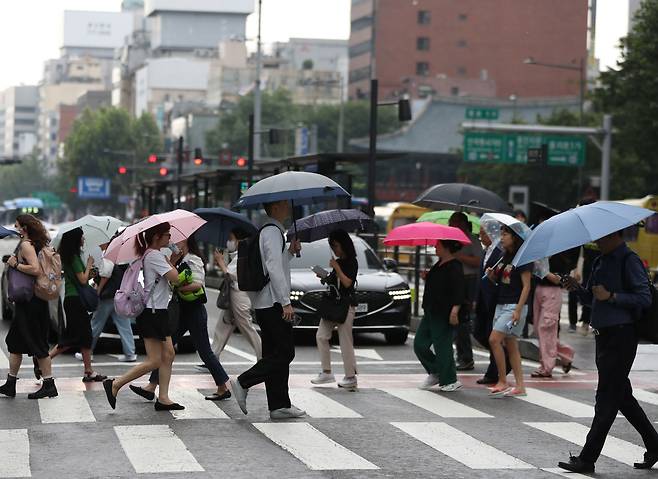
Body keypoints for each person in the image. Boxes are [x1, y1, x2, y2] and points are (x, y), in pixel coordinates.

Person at [558, 230, 658, 473]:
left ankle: (587, 458)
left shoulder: (629, 260)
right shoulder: (600, 261)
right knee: (621, 396)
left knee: (605, 399)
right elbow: (593, 300)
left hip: (622, 335)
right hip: (602, 336)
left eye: (601, 238)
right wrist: (577, 288)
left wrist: (612, 296)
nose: (597, 242)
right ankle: (655, 445)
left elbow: (644, 297)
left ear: (615, 236)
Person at [131, 235, 232, 401]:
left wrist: (177, 285)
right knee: (166, 350)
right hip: (181, 311)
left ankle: (222, 386)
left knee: (204, 351)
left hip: (194, 311)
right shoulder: (178, 259)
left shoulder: (194, 259)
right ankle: (151, 386)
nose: (172, 244)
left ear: (185, 242)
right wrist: (172, 263)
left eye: (176, 240)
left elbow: (198, 284)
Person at [230, 199, 306, 420]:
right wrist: (285, 302)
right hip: (272, 303)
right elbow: (273, 268)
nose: (289, 207)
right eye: (284, 204)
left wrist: (290, 252)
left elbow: (275, 263)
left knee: (274, 353)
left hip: (265, 302)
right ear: (274, 208)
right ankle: (244, 381)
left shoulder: (271, 232)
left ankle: (279, 405)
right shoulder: (272, 231)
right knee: (285, 353)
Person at [102, 222, 184, 411]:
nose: (170, 238)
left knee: (168, 354)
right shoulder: (154, 255)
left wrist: (171, 258)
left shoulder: (151, 255)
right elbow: (176, 277)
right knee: (156, 359)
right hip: (154, 313)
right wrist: (174, 259)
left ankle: (163, 397)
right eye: (167, 235)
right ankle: (115, 384)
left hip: (156, 312)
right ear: (156, 237)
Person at [0, 215, 58, 399]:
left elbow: (35, 269)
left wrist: (15, 263)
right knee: (15, 343)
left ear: (24, 228)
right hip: (30, 302)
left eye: (17, 226)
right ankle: (10, 383)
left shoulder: (26, 244)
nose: (15, 228)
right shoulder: (34, 243)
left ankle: (49, 384)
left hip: (31, 302)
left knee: (38, 343)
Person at [49, 227, 106, 383]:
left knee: (83, 336)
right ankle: (44, 360)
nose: (84, 239)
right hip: (75, 300)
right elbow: (82, 280)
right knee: (73, 338)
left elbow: (81, 278)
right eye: (82, 237)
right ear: (75, 239)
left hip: (73, 299)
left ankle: (89, 372)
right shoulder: (74, 257)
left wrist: (89, 271)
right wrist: (88, 265)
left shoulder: (70, 256)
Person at [414, 239, 466, 392]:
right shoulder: (438, 264)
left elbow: (459, 290)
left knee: (442, 346)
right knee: (419, 344)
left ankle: (450, 379)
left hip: (444, 312)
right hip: (430, 310)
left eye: (438, 245)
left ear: (446, 248)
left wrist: (455, 310)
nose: (434, 247)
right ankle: (436, 371)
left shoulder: (455, 266)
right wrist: (426, 277)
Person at [486, 225, 532, 397]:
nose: (502, 237)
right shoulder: (504, 256)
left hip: (514, 306)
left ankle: (503, 381)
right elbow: (501, 282)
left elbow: (527, 286)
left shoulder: (523, 258)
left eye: (505, 234)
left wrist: (518, 310)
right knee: (511, 345)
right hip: (501, 304)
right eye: (501, 234)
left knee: (494, 340)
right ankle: (520, 386)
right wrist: (491, 276)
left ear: (515, 237)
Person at [311, 229, 359, 388]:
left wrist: (337, 268)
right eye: (332, 246)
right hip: (333, 304)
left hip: (346, 305)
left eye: (336, 246)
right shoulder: (339, 261)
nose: (335, 249)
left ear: (344, 244)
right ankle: (326, 372)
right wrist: (325, 276)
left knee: (345, 340)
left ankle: (350, 377)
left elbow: (347, 283)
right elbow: (335, 281)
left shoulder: (351, 261)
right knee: (321, 336)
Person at [82, 232, 136, 362]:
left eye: (100, 241)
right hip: (119, 296)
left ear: (106, 242)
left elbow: (106, 274)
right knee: (124, 324)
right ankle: (130, 353)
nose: (98, 244)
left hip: (107, 296)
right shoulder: (119, 254)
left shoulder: (108, 254)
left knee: (95, 324)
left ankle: (88, 351)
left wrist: (98, 291)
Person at [210, 228, 262, 361]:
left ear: (239, 240)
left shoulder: (245, 254)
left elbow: (234, 275)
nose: (229, 242)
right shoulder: (240, 253)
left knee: (245, 326)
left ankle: (262, 356)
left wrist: (221, 262)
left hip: (240, 295)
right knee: (223, 325)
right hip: (233, 294)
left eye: (231, 239)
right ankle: (213, 357)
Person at [473, 228, 511, 385]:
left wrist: (493, 277)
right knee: (479, 333)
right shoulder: (485, 252)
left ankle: (493, 371)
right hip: (483, 299)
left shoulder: (500, 253)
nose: (480, 236)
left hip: (495, 299)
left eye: (483, 233)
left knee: (491, 336)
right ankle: (504, 359)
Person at [531, 251, 575, 378]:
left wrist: (542, 268)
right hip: (538, 291)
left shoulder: (560, 257)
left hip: (552, 293)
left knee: (546, 328)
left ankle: (547, 367)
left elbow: (558, 280)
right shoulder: (539, 255)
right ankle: (567, 354)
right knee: (539, 331)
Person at [448, 212, 483, 371]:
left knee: (462, 321)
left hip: (468, 281)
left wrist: (460, 257)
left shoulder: (472, 240)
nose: (451, 225)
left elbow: (478, 261)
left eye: (454, 222)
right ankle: (460, 355)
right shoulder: (451, 241)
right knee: (454, 321)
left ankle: (466, 357)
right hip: (454, 281)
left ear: (462, 223)